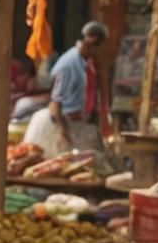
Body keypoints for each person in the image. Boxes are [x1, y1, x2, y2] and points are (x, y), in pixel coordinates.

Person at [22, 22, 110, 158]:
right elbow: (56, 102)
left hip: (76, 125)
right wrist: (63, 131)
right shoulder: (69, 64)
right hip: (58, 125)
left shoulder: (86, 62)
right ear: (92, 41)